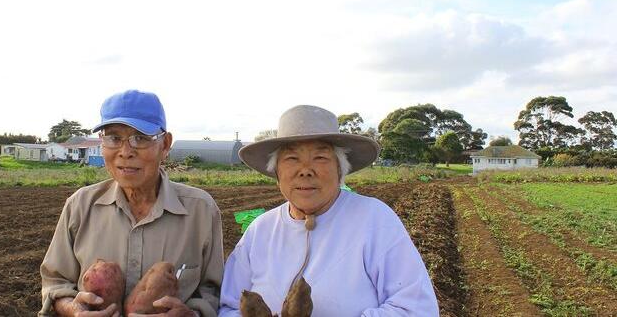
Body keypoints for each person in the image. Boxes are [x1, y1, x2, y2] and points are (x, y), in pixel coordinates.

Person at [219, 105, 439, 316]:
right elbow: (229, 307)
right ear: (276, 174)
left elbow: (415, 308)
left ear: (340, 170)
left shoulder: (374, 218)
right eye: (292, 159)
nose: (305, 170)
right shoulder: (260, 230)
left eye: (320, 158)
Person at [39, 89, 224, 317]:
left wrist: (192, 314)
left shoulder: (201, 211)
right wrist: (73, 309)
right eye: (114, 138)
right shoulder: (79, 206)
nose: (125, 152)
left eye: (141, 138)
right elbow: (55, 283)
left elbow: (213, 290)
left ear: (165, 145)